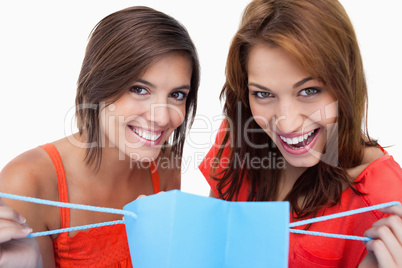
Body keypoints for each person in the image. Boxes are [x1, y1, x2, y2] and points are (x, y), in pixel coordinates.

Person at [199, 0, 402, 267]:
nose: (287, 124)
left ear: (346, 82)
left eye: (309, 91)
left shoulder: (384, 202)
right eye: (263, 94)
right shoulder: (238, 138)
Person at [0, 6, 199, 267]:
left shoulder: (165, 166)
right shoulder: (27, 182)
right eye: (139, 89)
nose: (162, 118)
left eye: (177, 95)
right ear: (97, 86)